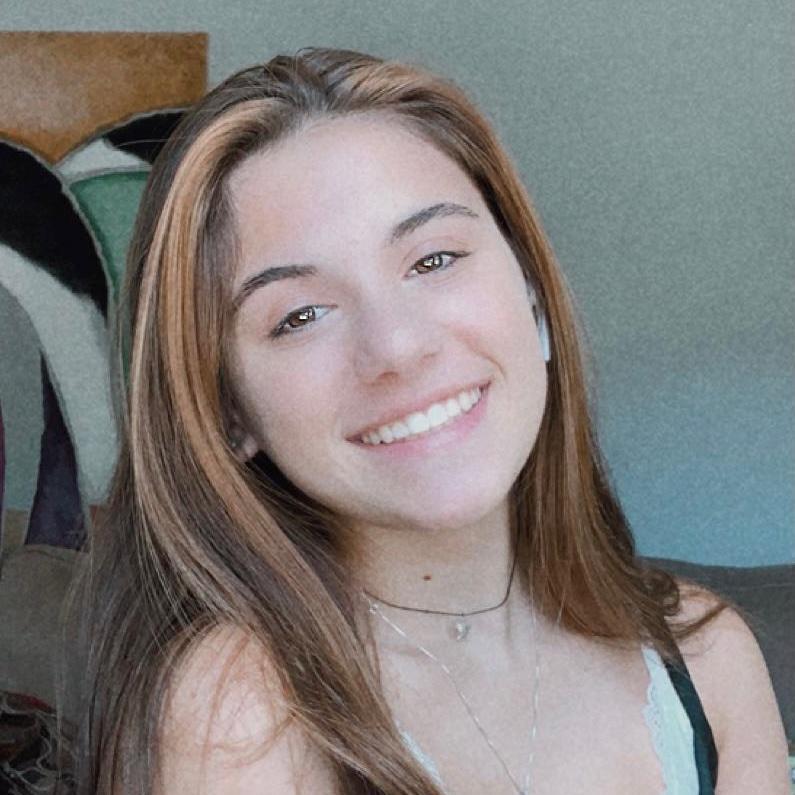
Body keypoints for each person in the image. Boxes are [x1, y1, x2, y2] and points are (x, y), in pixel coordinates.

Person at [70, 47, 789, 794]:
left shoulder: (707, 659)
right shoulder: (240, 709)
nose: (397, 347)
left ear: (532, 294)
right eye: (301, 315)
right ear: (227, 410)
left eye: (434, 259)